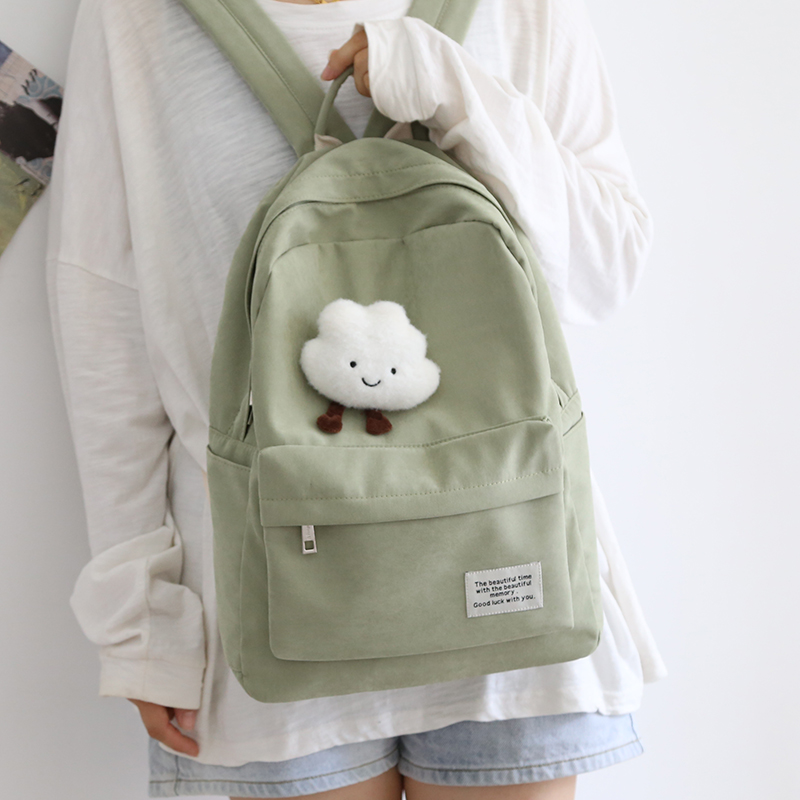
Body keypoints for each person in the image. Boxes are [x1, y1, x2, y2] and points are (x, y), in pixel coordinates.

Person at [45, 0, 667, 798]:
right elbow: (104, 316)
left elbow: (604, 271)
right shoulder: (136, 16)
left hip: (512, 567)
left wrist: (451, 86)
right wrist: (141, 618)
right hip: (269, 591)